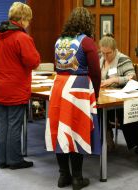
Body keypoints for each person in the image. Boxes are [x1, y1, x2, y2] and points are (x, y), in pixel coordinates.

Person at [45, 7, 101, 190]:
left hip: (59, 85)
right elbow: (95, 71)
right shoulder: (86, 41)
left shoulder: (59, 40)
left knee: (60, 128)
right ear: (87, 23)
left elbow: (57, 65)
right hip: (79, 87)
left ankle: (63, 176)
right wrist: (96, 93)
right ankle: (77, 178)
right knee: (77, 129)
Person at [0, 2, 41, 169]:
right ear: (23, 19)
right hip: (16, 89)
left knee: (3, 125)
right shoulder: (23, 38)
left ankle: (3, 160)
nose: (29, 23)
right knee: (15, 125)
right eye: (29, 20)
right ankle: (15, 160)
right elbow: (33, 62)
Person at [99, 34, 136, 151]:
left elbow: (132, 77)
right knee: (96, 110)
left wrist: (115, 79)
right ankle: (106, 140)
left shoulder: (123, 59)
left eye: (108, 53)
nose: (105, 56)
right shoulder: (101, 59)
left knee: (102, 111)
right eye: (103, 53)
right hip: (105, 95)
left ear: (114, 50)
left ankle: (108, 141)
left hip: (120, 98)